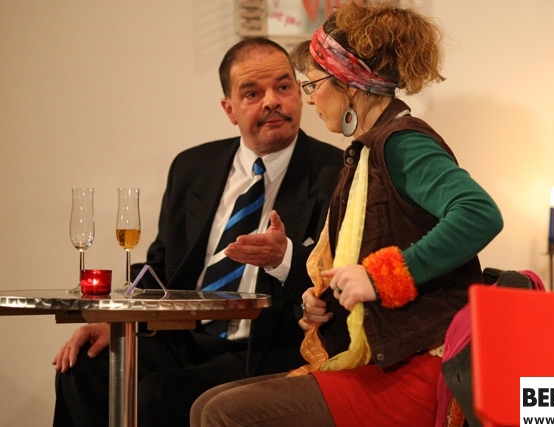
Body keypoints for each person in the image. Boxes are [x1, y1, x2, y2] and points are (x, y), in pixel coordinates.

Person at [190, 3, 504, 427]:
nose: (310, 98)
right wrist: (323, 303)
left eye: (313, 84)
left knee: (222, 412)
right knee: (206, 404)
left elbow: (479, 213)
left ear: (349, 84)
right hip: (387, 355)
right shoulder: (367, 151)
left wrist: (379, 277)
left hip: (417, 365)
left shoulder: (402, 143)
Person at [51, 37, 344, 427]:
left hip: (266, 347)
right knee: (83, 369)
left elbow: (336, 278)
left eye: (283, 86)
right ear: (229, 109)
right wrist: (119, 322)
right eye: (252, 93)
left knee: (160, 394)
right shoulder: (193, 167)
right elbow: (160, 266)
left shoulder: (336, 173)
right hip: (184, 337)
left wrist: (283, 258)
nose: (272, 101)